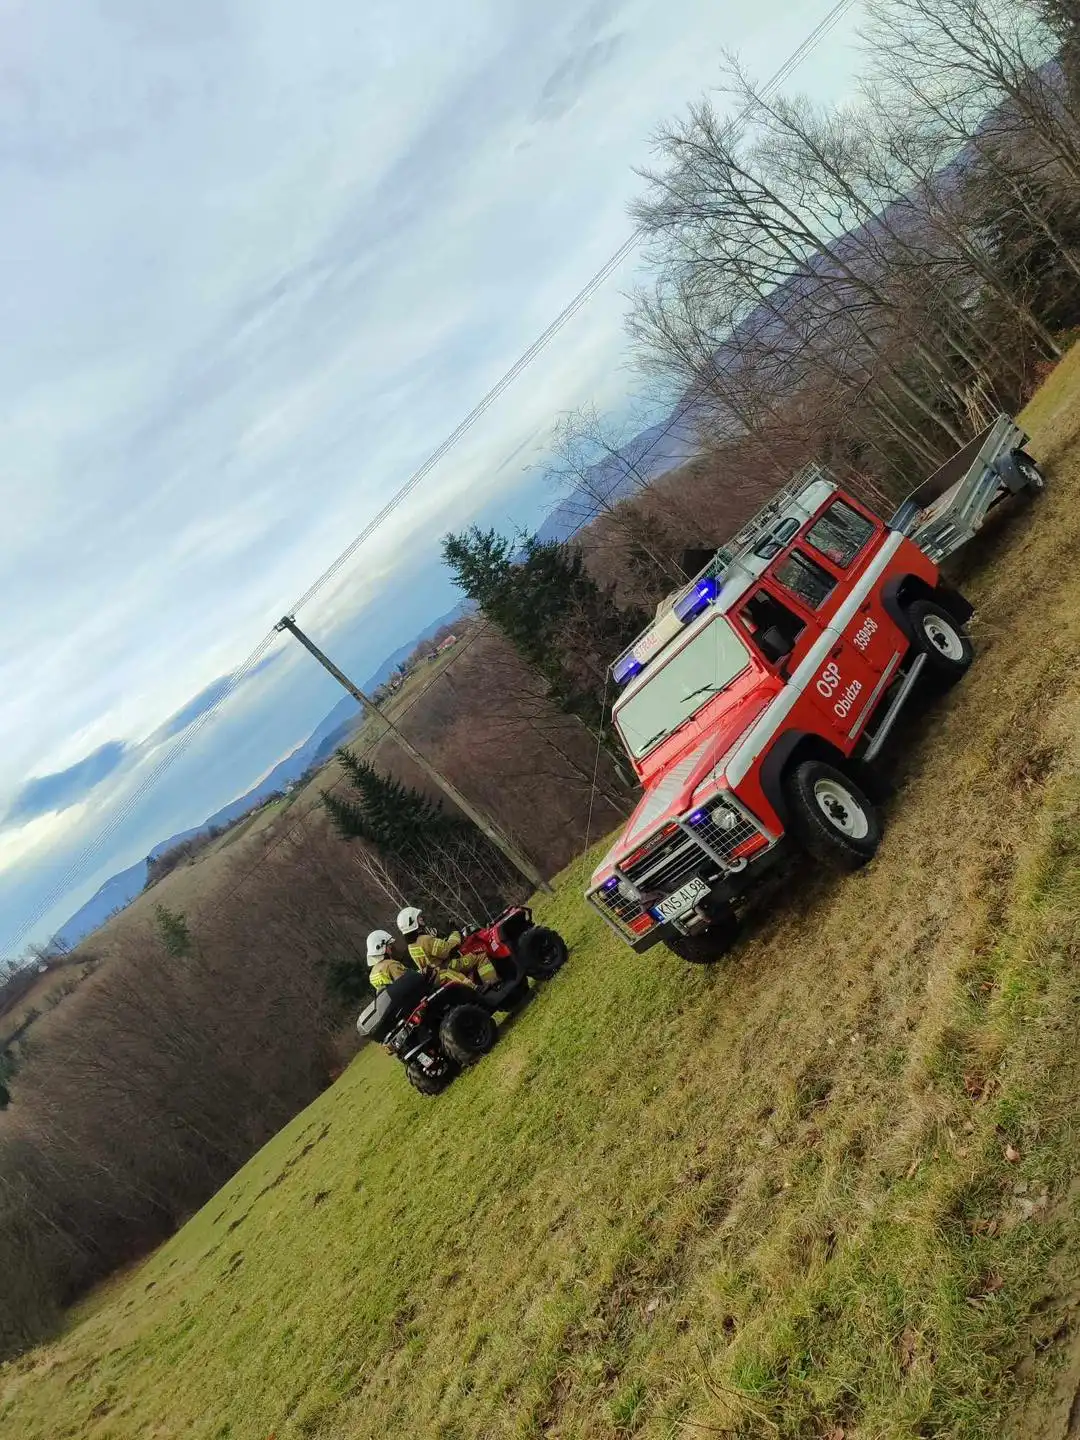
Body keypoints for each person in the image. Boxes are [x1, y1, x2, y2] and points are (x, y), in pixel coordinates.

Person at [396, 905, 497, 989]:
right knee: (480, 956)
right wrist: (456, 934)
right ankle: (492, 986)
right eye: (418, 917)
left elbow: (434, 952)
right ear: (413, 922)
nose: (421, 918)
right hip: (448, 966)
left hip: (435, 975)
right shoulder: (425, 940)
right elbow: (448, 949)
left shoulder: (411, 946)